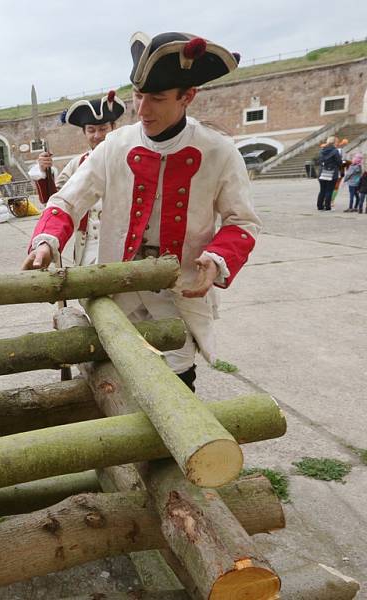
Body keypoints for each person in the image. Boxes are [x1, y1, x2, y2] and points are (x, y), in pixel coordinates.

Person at [22, 32, 261, 391]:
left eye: (157, 98)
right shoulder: (114, 145)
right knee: (117, 378)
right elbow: (67, 201)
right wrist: (47, 240)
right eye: (138, 96)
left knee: (177, 385)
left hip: (180, 291)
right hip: (117, 289)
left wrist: (217, 258)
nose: (143, 110)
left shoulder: (220, 152)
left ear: (188, 96)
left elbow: (241, 222)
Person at [28, 91, 125, 265]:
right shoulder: (77, 163)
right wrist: (44, 173)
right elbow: (56, 201)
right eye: (91, 130)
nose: (97, 135)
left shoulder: (129, 158)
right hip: (86, 248)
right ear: (84, 132)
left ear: (113, 128)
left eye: (103, 129)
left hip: (121, 245)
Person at [317, 136, 342, 211]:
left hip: (322, 172)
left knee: (322, 190)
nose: (337, 144)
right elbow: (339, 162)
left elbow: (320, 161)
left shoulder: (322, 150)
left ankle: (319, 206)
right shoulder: (335, 151)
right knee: (329, 190)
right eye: (336, 142)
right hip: (332, 173)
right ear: (334, 142)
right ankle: (327, 207)